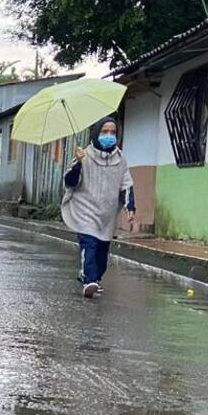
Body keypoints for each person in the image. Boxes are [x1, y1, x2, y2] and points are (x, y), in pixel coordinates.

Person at [61, 117, 135, 298]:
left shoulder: (120, 158)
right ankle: (89, 281)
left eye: (113, 132)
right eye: (104, 132)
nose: (109, 136)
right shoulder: (83, 155)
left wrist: (130, 206)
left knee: (101, 253)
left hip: (106, 214)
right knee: (90, 245)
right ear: (96, 133)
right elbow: (70, 182)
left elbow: (126, 183)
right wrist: (78, 164)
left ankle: (93, 276)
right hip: (85, 210)